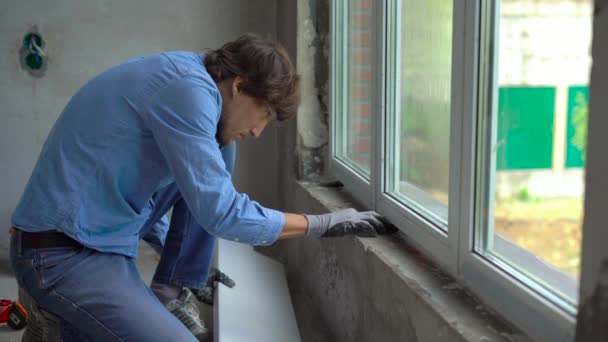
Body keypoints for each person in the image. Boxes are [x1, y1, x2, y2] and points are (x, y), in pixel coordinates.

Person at [9, 33, 396, 342]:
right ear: (239, 86)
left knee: (221, 151)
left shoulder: (187, 77)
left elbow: (139, 202)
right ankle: (53, 311)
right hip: (61, 255)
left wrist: (182, 263)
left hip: (100, 241)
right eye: (262, 114)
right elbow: (221, 212)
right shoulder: (188, 92)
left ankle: (172, 287)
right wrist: (320, 225)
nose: (258, 131)